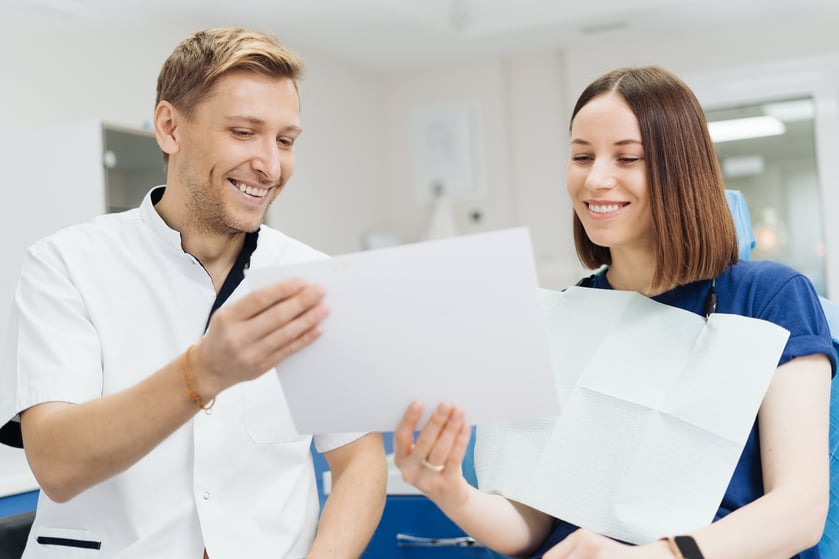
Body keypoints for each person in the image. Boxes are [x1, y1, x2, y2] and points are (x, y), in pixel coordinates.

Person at [393, 66, 836, 559]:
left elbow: (800, 511)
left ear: (681, 170)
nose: (596, 178)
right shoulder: (561, 316)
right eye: (581, 156)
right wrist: (450, 490)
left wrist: (651, 556)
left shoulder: (767, 297)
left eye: (627, 158)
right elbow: (533, 524)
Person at [0, 27, 386, 558]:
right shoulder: (66, 265)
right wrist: (201, 373)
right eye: (244, 132)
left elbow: (359, 461)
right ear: (169, 128)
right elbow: (57, 465)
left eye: (286, 140)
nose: (270, 166)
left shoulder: (312, 276)